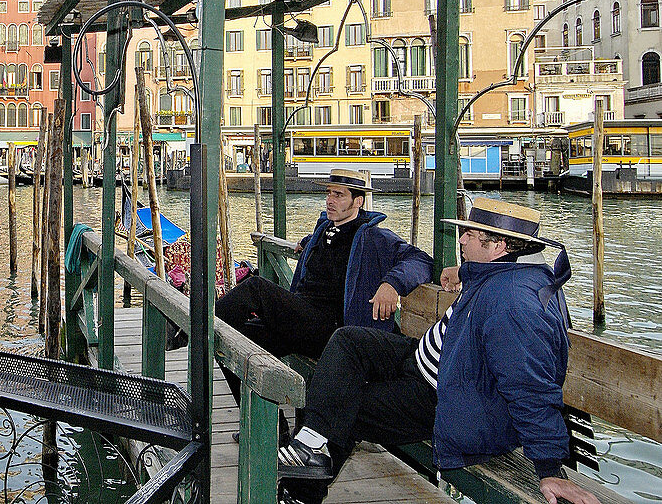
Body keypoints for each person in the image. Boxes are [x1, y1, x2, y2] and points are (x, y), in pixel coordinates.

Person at [278, 198, 599, 504]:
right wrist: (463, 272)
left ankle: (300, 491)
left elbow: (529, 386)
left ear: (499, 246)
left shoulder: (514, 304)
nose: (461, 240)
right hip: (433, 361)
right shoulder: (508, 271)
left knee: (337, 401)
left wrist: (549, 467)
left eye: (470, 234)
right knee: (348, 341)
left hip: (446, 397)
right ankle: (309, 447)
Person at [214, 168, 433, 435]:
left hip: (332, 329)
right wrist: (308, 242)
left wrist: (392, 284)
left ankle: (190, 330)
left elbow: (421, 260)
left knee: (257, 288)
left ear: (358, 201)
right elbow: (331, 247)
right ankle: (273, 432)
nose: (330, 200)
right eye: (329, 193)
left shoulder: (374, 237)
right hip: (302, 320)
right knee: (234, 342)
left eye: (339, 195)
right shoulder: (324, 230)